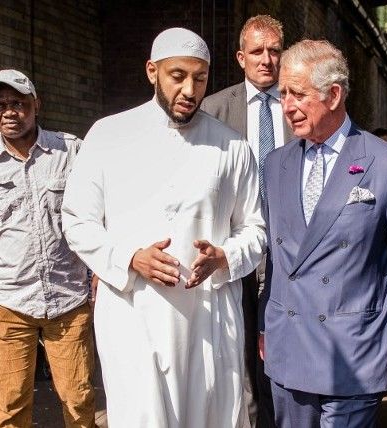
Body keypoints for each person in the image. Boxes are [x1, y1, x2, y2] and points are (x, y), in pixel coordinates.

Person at [61, 28, 266, 427]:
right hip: (134, 314)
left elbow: (255, 228)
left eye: (200, 78)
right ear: (152, 71)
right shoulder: (108, 135)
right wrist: (130, 257)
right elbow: (77, 220)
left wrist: (226, 256)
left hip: (209, 317)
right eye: (177, 76)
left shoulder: (232, 146)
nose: (190, 89)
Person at [259, 39, 387, 428]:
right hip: (287, 342)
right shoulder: (275, 165)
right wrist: (263, 324)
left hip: (352, 350)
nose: (287, 106)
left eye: (298, 94)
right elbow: (278, 259)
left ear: (334, 95)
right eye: (283, 93)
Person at [0, 69, 95, 427]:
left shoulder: (72, 151)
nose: (10, 113)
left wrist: (98, 276)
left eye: (18, 103)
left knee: (79, 401)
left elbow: (97, 218)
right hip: (8, 303)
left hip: (68, 300)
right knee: (11, 408)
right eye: (0, 106)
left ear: (36, 105)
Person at [201, 14, 290, 427]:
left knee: (283, 355)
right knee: (239, 358)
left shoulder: (299, 103)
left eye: (275, 50)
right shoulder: (214, 110)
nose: (267, 60)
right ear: (241, 57)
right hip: (235, 250)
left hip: (291, 254)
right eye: (257, 51)